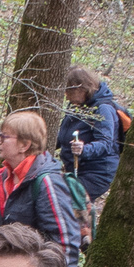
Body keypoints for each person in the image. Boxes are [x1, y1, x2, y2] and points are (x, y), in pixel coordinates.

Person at [0, 108, 88, 267]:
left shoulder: (48, 183)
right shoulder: (7, 174)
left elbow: (65, 245)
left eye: (4, 137)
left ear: (24, 145)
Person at [56, 66, 122, 206]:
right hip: (75, 169)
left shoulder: (103, 109)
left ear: (81, 89)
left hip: (97, 172)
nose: (66, 96)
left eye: (69, 91)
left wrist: (84, 149)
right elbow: (63, 135)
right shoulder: (76, 106)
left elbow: (106, 143)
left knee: (66, 202)